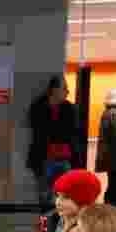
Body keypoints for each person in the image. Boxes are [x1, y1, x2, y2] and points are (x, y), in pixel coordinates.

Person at [27, 76, 84, 211]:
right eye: (64, 88)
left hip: (65, 159)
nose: (67, 92)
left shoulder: (69, 109)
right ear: (54, 90)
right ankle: (47, 227)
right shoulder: (38, 107)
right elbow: (39, 129)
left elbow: (72, 132)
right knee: (45, 196)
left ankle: (61, 228)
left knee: (66, 196)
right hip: (44, 158)